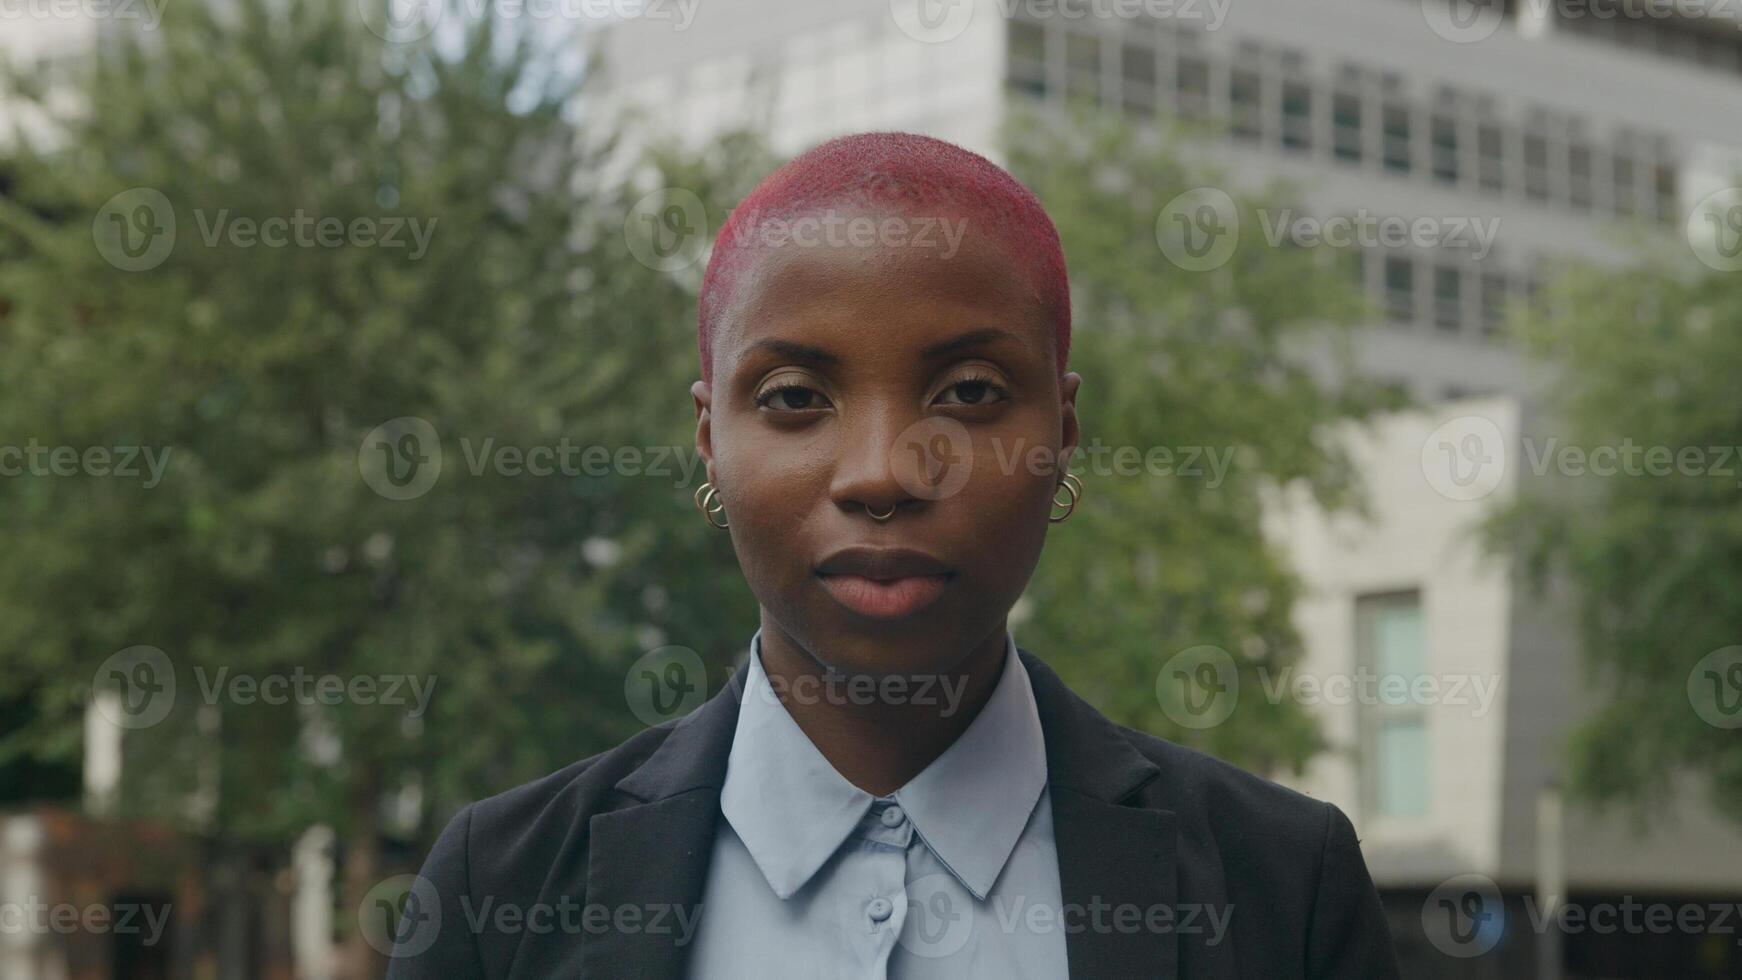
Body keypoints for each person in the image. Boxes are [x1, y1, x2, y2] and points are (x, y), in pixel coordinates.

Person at [385, 131, 1401, 979]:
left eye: (966, 392)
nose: (880, 472)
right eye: (793, 397)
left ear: (1063, 429)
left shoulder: (1278, 888)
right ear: (708, 440)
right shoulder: (498, 892)